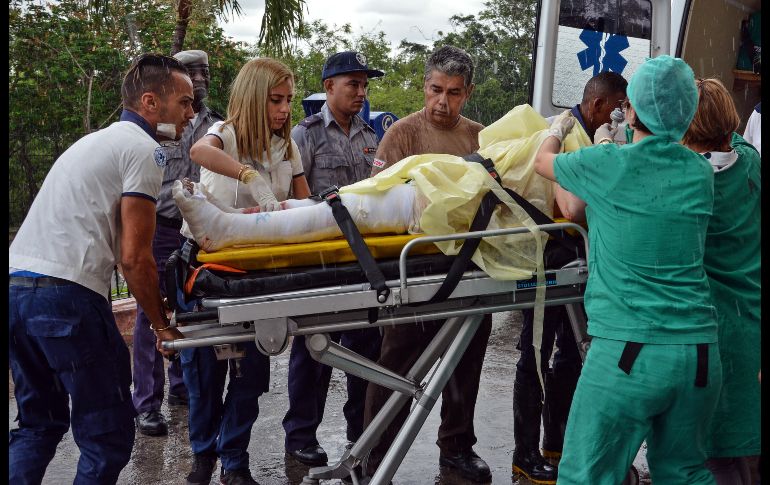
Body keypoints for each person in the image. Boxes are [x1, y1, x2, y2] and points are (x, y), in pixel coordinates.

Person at [534, 55, 722, 484]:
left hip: (630, 353)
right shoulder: (699, 172)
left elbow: (543, 164)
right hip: (699, 355)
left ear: (630, 109)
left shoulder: (610, 164)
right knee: (686, 473)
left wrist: (555, 131)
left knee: (587, 474)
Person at [9, 53, 192, 484]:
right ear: (150, 102)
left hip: (16, 289)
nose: (190, 113)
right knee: (107, 434)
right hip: (67, 297)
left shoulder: (93, 141)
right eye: (183, 102)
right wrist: (162, 325)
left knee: (39, 424)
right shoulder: (146, 150)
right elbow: (134, 257)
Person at [364, 45, 492, 483]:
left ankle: (456, 449)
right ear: (425, 85)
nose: (443, 101)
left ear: (467, 93)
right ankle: (373, 452)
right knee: (394, 364)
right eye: (436, 89)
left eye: (454, 93)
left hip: (471, 269)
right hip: (411, 271)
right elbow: (373, 204)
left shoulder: (480, 137)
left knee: (466, 363)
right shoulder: (401, 134)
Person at [179, 57, 310, 485]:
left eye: (289, 100)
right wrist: (248, 174)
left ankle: (234, 461)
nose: (284, 109)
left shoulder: (287, 145)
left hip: (257, 274)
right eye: (276, 100)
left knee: (251, 376)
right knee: (204, 377)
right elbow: (199, 152)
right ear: (255, 98)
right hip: (206, 269)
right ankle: (202, 459)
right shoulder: (226, 133)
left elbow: (304, 203)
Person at [511, 71, 627, 484]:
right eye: (616, 110)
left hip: (577, 259)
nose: (620, 119)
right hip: (548, 256)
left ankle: (556, 441)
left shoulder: (590, 137)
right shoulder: (563, 133)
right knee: (535, 353)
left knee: (571, 357)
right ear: (597, 106)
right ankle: (524, 452)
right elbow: (570, 206)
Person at [282, 50, 385, 468]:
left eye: (364, 85)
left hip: (362, 261)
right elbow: (293, 198)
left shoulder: (371, 135)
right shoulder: (304, 134)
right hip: (320, 261)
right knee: (314, 350)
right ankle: (301, 434)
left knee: (365, 350)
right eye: (352, 84)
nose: (361, 92)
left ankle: (360, 433)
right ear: (329, 88)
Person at [131, 49, 223, 437]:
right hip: (161, 225)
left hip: (202, 229)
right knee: (150, 310)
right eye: (191, 74)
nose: (199, 80)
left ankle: (183, 387)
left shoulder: (217, 125)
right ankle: (146, 403)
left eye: (203, 73)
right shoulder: (157, 125)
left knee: (194, 305)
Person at [682, 78, 760, 485]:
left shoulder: (689, 179)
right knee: (745, 445)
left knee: (714, 451)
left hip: (713, 329)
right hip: (750, 321)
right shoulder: (749, 161)